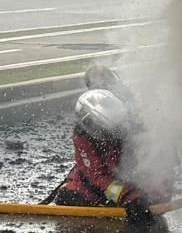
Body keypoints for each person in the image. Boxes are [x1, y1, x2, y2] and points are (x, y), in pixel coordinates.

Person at [44, 86, 154, 223]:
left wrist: (151, 189)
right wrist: (129, 196)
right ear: (89, 123)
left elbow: (141, 162)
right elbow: (97, 176)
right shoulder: (82, 138)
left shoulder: (124, 128)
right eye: (106, 131)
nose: (112, 134)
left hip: (118, 188)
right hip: (85, 195)